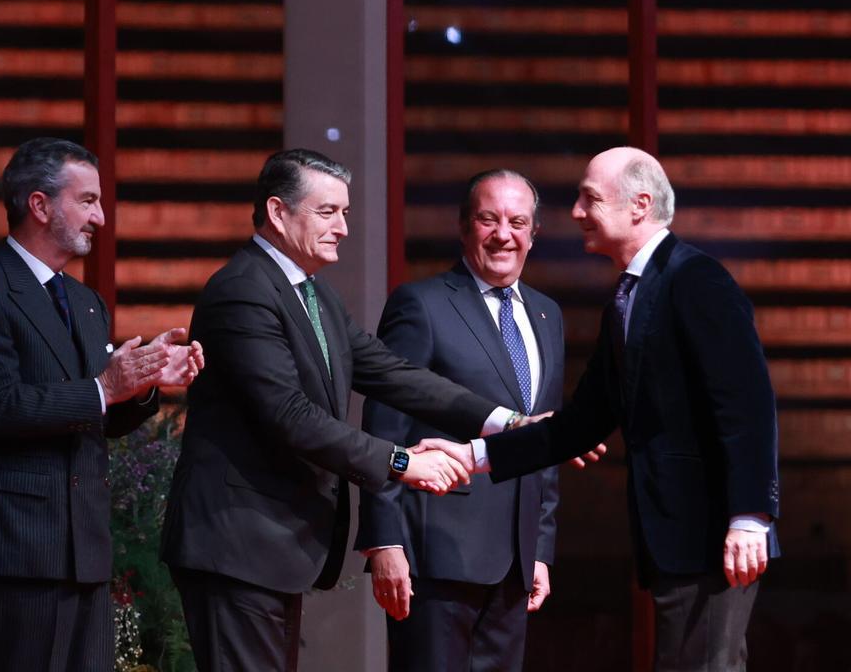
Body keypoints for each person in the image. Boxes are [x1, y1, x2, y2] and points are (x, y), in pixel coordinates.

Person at [160, 148, 537, 672]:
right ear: (277, 212)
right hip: (236, 543)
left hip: (266, 549)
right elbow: (291, 416)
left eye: (346, 213)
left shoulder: (314, 295)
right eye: (327, 212)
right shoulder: (242, 292)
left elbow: (395, 375)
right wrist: (404, 463)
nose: (342, 227)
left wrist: (509, 423)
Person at [435, 147, 780, 671]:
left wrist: (751, 518)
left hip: (713, 539)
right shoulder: (629, 295)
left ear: (639, 206)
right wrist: (474, 456)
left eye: (589, 198)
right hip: (675, 541)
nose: (575, 212)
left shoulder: (696, 281)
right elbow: (580, 424)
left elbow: (748, 405)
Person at [0, 138, 203, 671]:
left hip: (85, 548)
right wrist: (105, 388)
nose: (101, 217)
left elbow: (101, 413)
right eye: (88, 200)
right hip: (19, 550)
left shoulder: (86, 302)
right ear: (40, 205)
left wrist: (144, 384)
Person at [356, 169, 563, 672]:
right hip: (436, 555)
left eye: (518, 222)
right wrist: (384, 542)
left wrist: (539, 547)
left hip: (514, 564)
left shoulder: (547, 314)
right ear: (465, 226)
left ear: (533, 234)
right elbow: (384, 427)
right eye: (488, 219)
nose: (503, 234)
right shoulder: (421, 304)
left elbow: (544, 440)